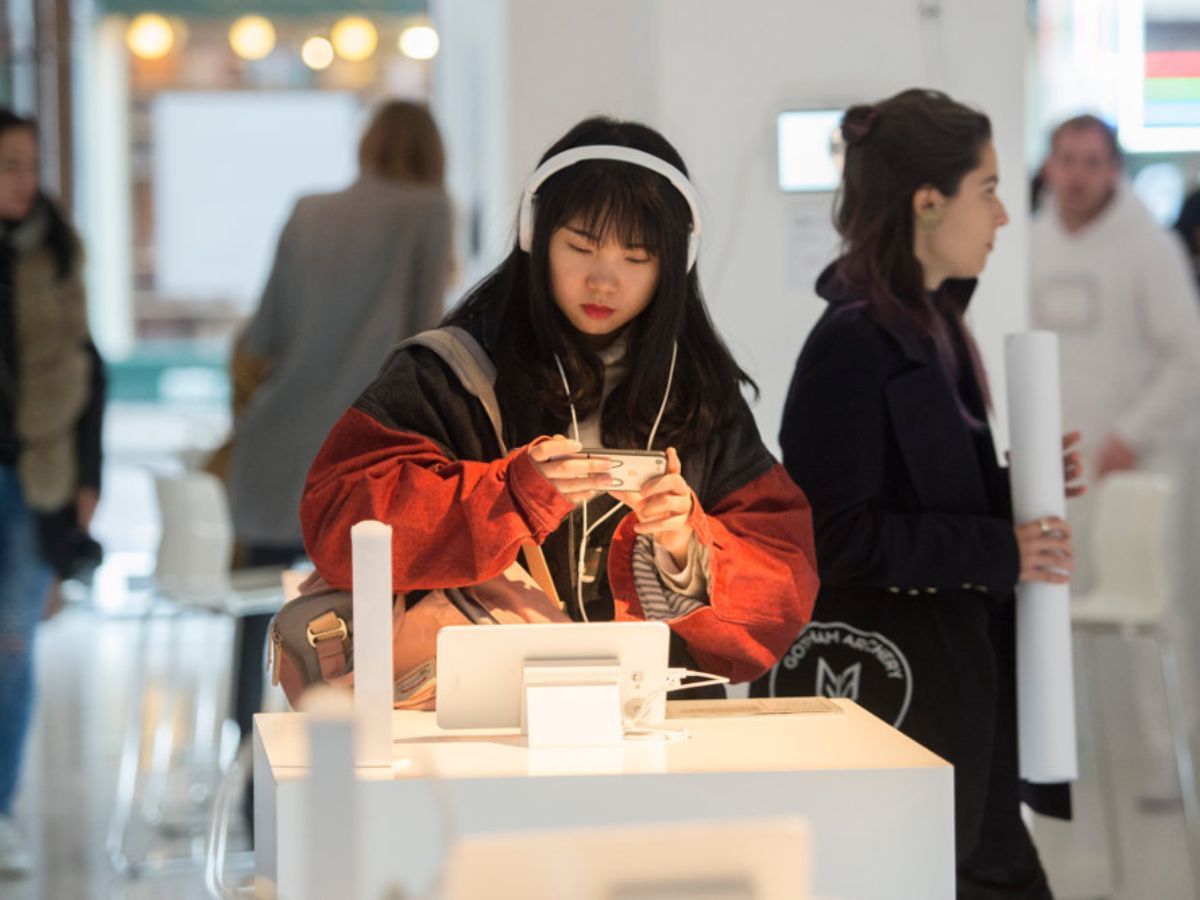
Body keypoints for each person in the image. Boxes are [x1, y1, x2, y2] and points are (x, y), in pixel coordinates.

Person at [300, 116, 819, 686]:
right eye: (581, 247)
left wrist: (686, 551)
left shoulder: (696, 389)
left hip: (654, 715)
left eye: (637, 258)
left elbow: (783, 587)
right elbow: (339, 521)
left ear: (677, 263)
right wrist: (508, 496)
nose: (604, 281)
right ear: (535, 237)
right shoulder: (450, 370)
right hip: (476, 710)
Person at [752, 89, 1082, 897]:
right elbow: (835, 536)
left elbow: (914, 495)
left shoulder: (926, 327)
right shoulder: (854, 342)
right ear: (929, 204)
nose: (1003, 216)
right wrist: (1001, 547)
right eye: (989, 190)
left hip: (949, 690)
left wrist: (1013, 491)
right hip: (901, 698)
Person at [224, 100, 452, 758]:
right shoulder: (430, 210)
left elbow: (263, 335)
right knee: (368, 619)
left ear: (368, 144)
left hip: (274, 452)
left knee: (256, 622)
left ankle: (250, 768)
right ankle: (352, 768)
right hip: (358, 458)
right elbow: (424, 344)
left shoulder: (307, 210)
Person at [1032, 115, 1200, 807]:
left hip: (1137, 467)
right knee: (1051, 610)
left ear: (1114, 169)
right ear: (1049, 166)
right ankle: (1063, 759)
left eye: (1092, 160)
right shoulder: (1030, 244)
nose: (1078, 174)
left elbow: (1187, 354)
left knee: (1149, 612)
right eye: (1067, 159)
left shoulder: (1149, 248)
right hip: (1057, 468)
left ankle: (1166, 761)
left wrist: (1132, 432)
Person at [0, 109, 103, 876]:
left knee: (13, 641)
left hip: (37, 473)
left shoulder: (58, 250)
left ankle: (0, 810)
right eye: (9, 165)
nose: (24, 180)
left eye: (31, 164)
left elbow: (89, 372)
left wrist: (89, 477)